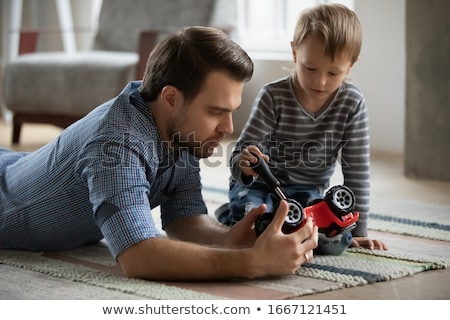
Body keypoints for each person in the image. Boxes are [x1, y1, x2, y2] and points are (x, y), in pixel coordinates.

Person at [0, 26, 318, 281]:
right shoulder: (117, 144)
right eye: (215, 112)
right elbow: (138, 256)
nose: (227, 128)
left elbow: (185, 221)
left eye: (231, 111)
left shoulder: (181, 130)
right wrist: (250, 263)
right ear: (171, 97)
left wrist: (231, 239)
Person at [216, 4, 387, 254]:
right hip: (259, 186)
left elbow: (357, 171)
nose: (320, 81)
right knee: (253, 222)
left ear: (350, 66)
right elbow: (241, 153)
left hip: (308, 193)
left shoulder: (352, 103)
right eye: (310, 68)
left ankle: (267, 224)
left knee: (331, 242)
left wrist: (357, 232)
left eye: (333, 72)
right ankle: (233, 216)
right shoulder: (273, 96)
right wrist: (244, 164)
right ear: (295, 53)